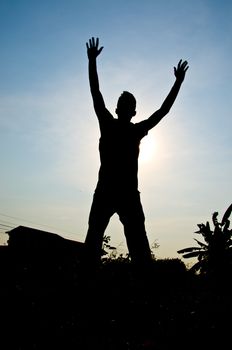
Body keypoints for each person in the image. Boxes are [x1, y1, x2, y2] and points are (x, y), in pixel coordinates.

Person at [84, 37, 189, 268]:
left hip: (123, 193)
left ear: (130, 111)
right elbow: (95, 92)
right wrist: (91, 62)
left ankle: (142, 288)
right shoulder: (116, 126)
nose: (123, 107)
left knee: (137, 247)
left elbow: (163, 111)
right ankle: (90, 285)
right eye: (123, 104)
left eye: (126, 104)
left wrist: (178, 83)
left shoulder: (126, 129)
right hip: (112, 191)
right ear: (127, 111)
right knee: (97, 242)